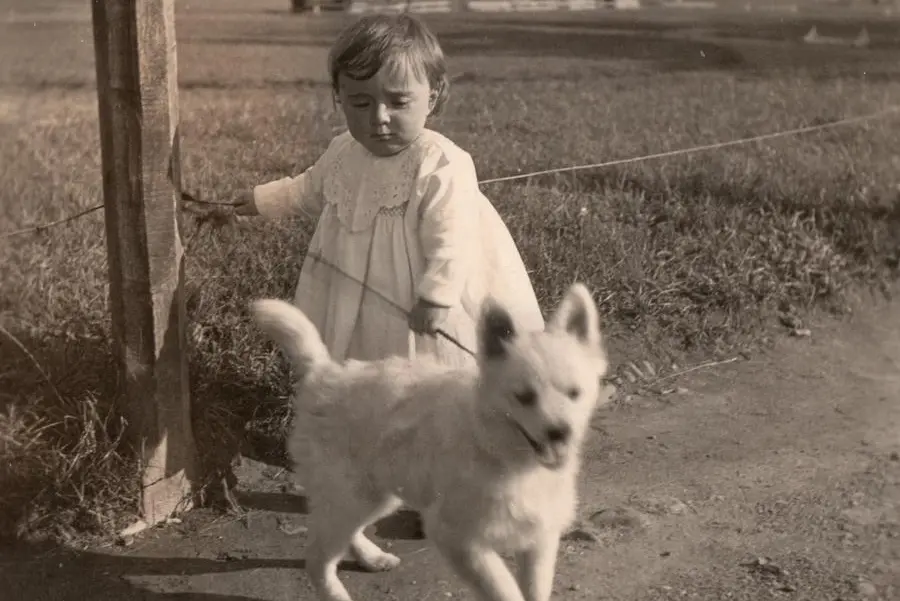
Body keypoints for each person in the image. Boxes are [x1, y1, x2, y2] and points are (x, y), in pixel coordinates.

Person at [235, 13, 544, 369]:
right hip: (353, 284)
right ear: (339, 96)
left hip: (417, 291)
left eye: (398, 103)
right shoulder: (342, 151)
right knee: (361, 355)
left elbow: (453, 239)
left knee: (423, 365)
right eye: (361, 103)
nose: (378, 117)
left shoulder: (440, 161)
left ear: (433, 96)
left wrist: (437, 297)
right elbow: (308, 188)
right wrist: (261, 200)